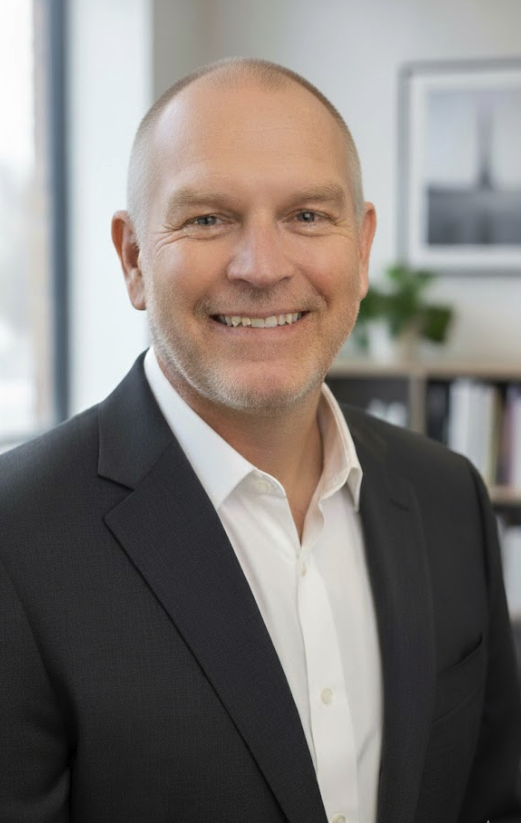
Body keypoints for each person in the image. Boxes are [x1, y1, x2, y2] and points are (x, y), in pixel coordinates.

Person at [0, 57, 520, 823]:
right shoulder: (18, 536)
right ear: (133, 258)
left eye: (308, 215)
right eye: (208, 218)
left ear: (362, 244)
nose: (262, 267)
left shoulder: (446, 495)